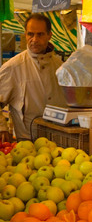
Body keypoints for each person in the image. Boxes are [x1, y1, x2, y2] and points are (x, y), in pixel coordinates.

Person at [0, 13, 66, 142]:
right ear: (25, 34)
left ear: (49, 35)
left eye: (40, 34)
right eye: (30, 34)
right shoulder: (13, 67)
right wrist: (2, 127)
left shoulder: (61, 67)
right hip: (27, 144)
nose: (34, 39)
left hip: (60, 143)